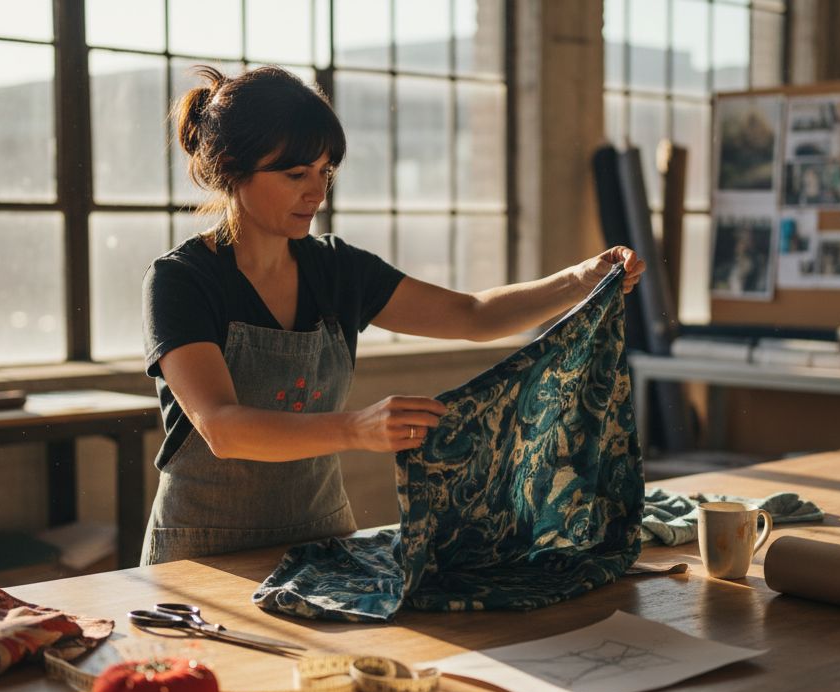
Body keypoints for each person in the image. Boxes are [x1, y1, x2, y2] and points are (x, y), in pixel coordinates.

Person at [140, 65, 644, 565]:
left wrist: (579, 280)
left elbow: (473, 315)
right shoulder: (180, 281)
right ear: (232, 167)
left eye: (325, 172)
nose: (317, 192)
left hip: (322, 540)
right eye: (296, 174)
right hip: (201, 554)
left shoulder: (338, 270)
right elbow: (223, 429)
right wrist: (356, 428)